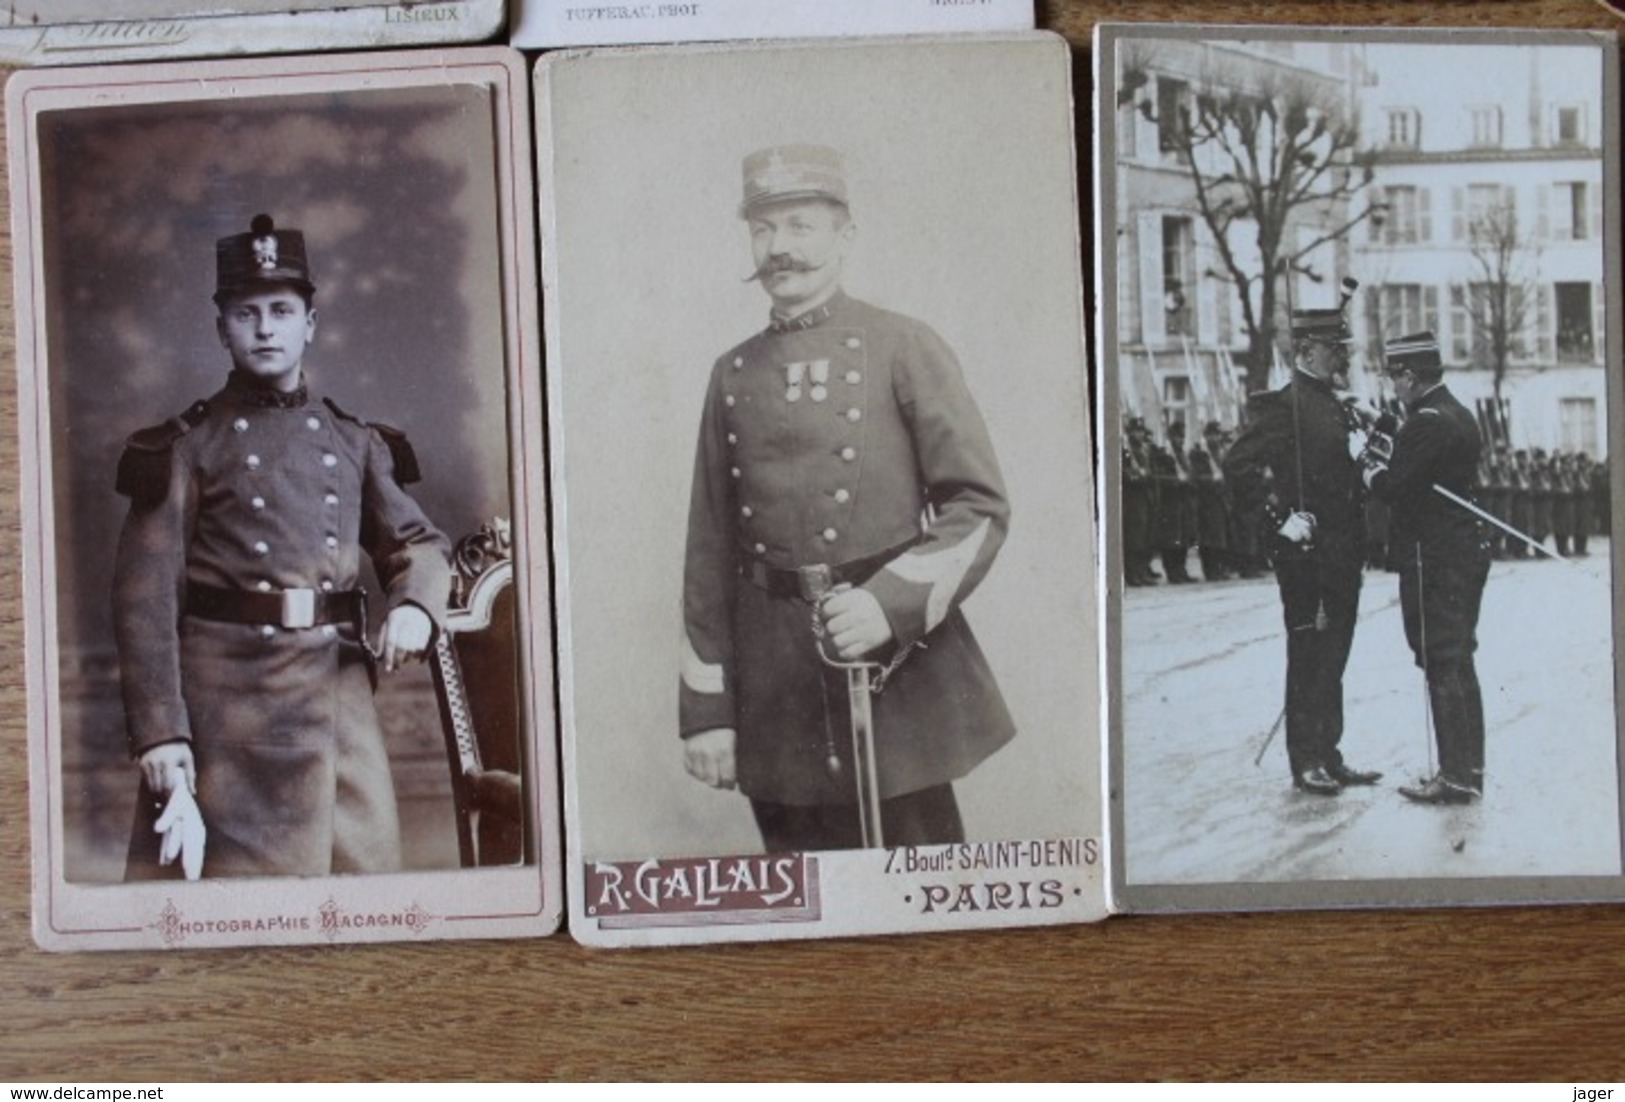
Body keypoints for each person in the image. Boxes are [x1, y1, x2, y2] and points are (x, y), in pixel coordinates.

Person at [678, 144, 1014, 852]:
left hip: (891, 674)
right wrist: (706, 711)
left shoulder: (902, 345)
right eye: (764, 230)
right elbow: (707, 551)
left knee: (921, 900)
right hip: (774, 689)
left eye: (800, 226)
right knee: (808, 909)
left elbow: (977, 506)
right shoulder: (732, 373)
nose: (780, 250)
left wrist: (887, 605)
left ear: (844, 234)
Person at [114, 213, 452, 878]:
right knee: (230, 913)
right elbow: (143, 603)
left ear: (310, 324)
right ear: (222, 329)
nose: (265, 329)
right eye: (246, 313)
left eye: (280, 311)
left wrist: (414, 605)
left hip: (336, 706)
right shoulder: (185, 447)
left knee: (359, 899)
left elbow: (416, 544)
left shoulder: (355, 442)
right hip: (227, 720)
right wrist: (160, 732)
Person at [1222, 304, 1382, 796]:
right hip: (1306, 554)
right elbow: (1236, 466)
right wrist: (1278, 522)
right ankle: (1305, 759)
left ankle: (1329, 753)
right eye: (1336, 350)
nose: (1343, 358)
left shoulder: (1340, 404)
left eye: (1344, 350)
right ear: (1309, 350)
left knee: (1335, 653)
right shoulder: (1282, 405)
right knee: (1309, 652)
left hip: (1342, 553)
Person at [1359, 331, 1489, 804]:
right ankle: (1469, 768)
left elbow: (1395, 488)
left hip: (1434, 557)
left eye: (1396, 379)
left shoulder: (1427, 422)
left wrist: (1365, 465)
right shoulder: (1456, 413)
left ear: (1410, 377)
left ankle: (1454, 776)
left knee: (1440, 660)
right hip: (1462, 551)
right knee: (1460, 658)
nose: (1395, 388)